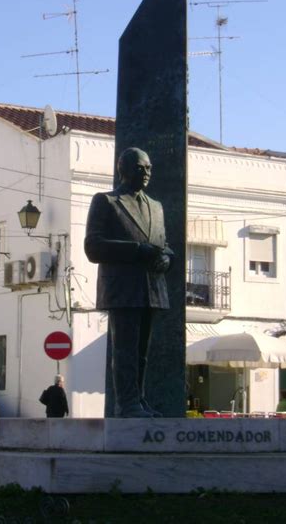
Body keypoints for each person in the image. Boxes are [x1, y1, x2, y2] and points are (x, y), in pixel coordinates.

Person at [84, 147, 173, 418]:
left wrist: (166, 259)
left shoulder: (156, 207)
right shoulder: (106, 201)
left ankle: (139, 400)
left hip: (152, 288)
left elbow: (162, 244)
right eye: (139, 168)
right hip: (122, 288)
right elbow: (93, 246)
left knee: (141, 353)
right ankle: (127, 403)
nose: (145, 173)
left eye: (148, 168)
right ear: (123, 169)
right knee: (124, 351)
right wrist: (137, 250)